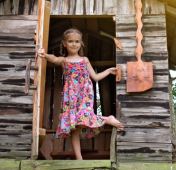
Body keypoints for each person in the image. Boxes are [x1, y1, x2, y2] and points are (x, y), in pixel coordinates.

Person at [37, 28, 124, 160]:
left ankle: (108, 119)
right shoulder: (64, 61)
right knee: (74, 127)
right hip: (70, 98)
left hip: (84, 95)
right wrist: (44, 54)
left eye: (77, 41)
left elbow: (94, 77)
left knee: (85, 117)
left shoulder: (85, 60)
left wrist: (108, 71)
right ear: (64, 43)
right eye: (70, 41)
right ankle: (79, 158)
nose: (74, 44)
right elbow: (53, 58)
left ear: (81, 44)